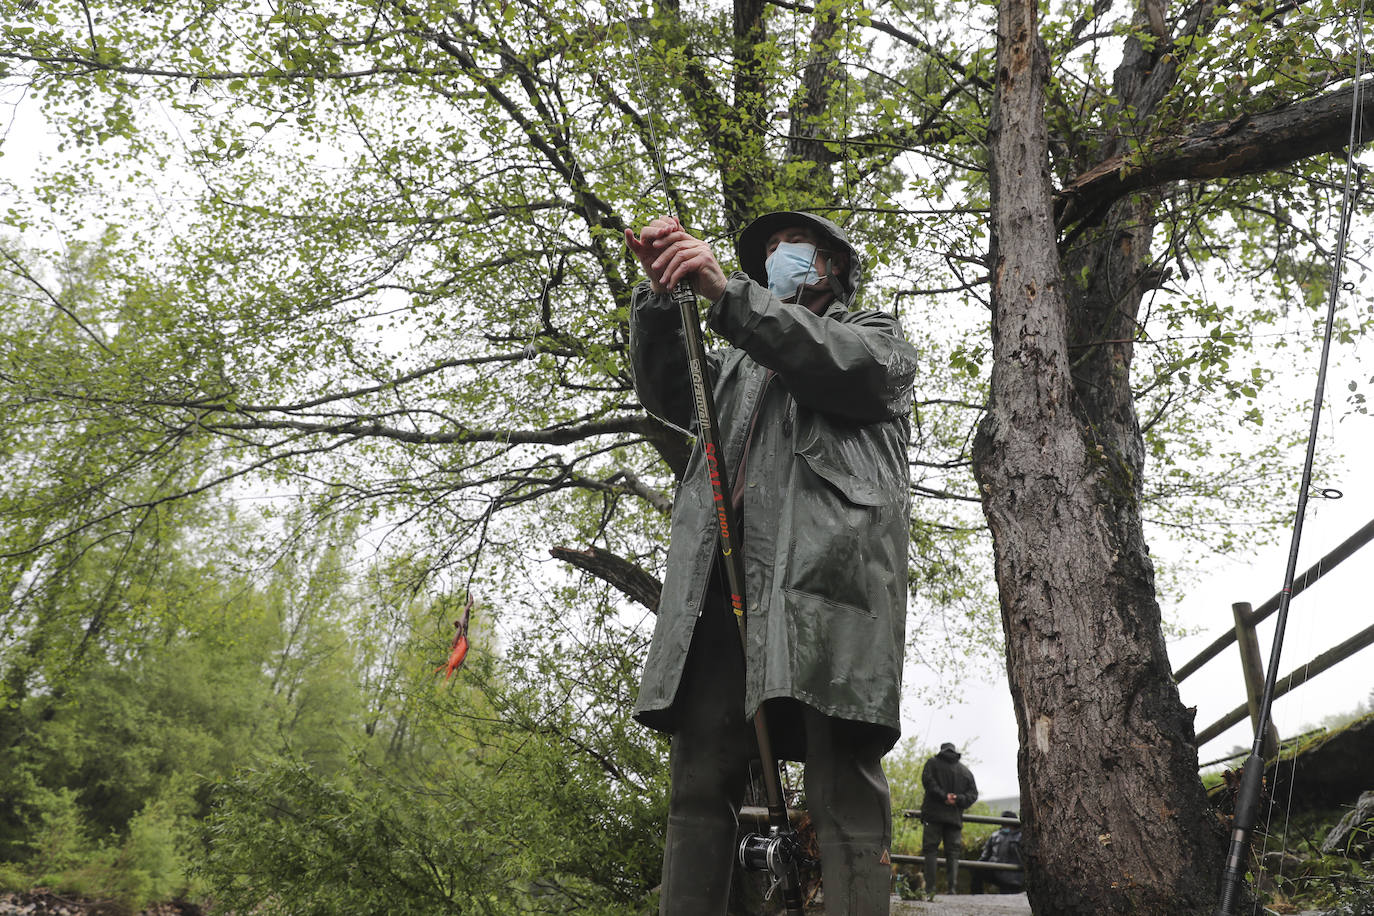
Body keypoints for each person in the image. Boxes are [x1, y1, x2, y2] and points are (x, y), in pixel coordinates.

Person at [624, 211, 917, 915]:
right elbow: (670, 391)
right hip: (720, 586)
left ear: (835, 266)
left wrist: (727, 297)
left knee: (841, 780)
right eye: (768, 252)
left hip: (828, 591)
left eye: (795, 247)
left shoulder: (877, 338)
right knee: (700, 779)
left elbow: (834, 364)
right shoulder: (740, 358)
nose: (778, 258)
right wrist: (664, 297)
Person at [919, 741, 979, 894]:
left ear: (942, 750)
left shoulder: (932, 763)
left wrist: (943, 796)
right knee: (953, 853)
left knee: (930, 850)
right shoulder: (965, 771)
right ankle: (951, 889)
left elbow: (928, 782)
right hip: (954, 818)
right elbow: (973, 795)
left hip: (933, 815)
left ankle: (930, 889)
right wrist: (958, 799)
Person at [971, 811, 1024, 895]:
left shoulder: (1022, 836)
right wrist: (976, 865)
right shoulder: (995, 835)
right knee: (977, 870)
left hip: (1013, 875)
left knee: (1008, 894)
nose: (1005, 826)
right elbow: (985, 856)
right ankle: (976, 896)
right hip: (994, 869)